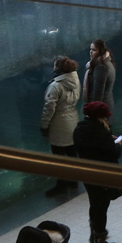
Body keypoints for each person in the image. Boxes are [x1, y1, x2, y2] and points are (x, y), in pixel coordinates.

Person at [73, 101, 122, 243]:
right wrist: (117, 143)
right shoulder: (101, 133)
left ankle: (94, 233)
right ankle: (100, 240)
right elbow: (113, 153)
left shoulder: (79, 129)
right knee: (102, 206)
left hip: (87, 174)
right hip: (102, 175)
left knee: (94, 203)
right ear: (101, 117)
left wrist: (108, 140)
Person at [40, 55, 81, 197]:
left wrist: (44, 125)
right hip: (73, 120)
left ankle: (61, 185)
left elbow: (49, 108)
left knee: (59, 157)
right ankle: (73, 181)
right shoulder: (75, 80)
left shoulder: (55, 86)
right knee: (71, 154)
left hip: (59, 124)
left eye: (54, 66)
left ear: (58, 68)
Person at [83, 39, 116, 118]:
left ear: (100, 51)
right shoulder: (107, 62)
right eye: (90, 49)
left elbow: (98, 92)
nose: (90, 52)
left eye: (94, 50)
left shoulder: (101, 67)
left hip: (101, 108)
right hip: (105, 105)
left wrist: (94, 111)